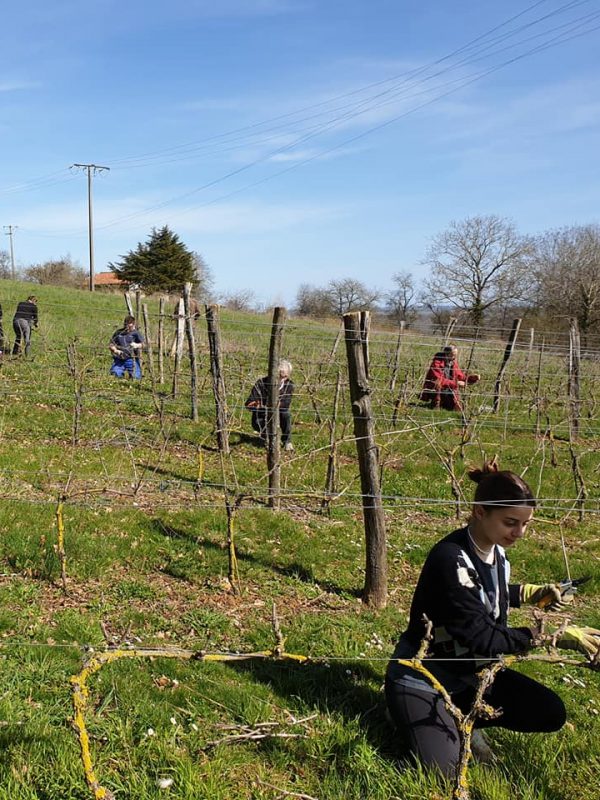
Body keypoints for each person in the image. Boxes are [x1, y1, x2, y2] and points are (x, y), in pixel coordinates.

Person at [385, 460, 600, 777]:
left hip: (471, 676)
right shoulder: (450, 559)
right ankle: (405, 711)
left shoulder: (496, 552)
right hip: (424, 679)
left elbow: (483, 592)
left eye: (526, 524)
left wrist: (529, 593)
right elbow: (481, 636)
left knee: (550, 712)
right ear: (480, 512)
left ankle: (463, 717)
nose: (520, 533)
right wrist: (552, 636)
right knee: (445, 772)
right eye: (511, 523)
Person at [245, 360, 294, 450]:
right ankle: (268, 438)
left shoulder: (289, 385)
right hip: (262, 415)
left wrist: (275, 404)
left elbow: (286, 403)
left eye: (285, 377)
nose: (281, 379)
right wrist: (255, 405)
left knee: (286, 414)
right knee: (258, 423)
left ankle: (287, 441)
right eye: (279, 376)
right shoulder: (261, 383)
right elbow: (249, 403)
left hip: (280, 414)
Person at [420, 344, 480, 411]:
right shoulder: (436, 363)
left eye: (455, 355)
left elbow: (461, 376)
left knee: (456, 408)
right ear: (446, 354)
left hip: (448, 388)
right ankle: (436, 404)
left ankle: (444, 403)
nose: (454, 357)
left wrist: (471, 378)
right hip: (435, 389)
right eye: (453, 355)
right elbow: (439, 380)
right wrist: (456, 383)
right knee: (437, 384)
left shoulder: (453, 363)